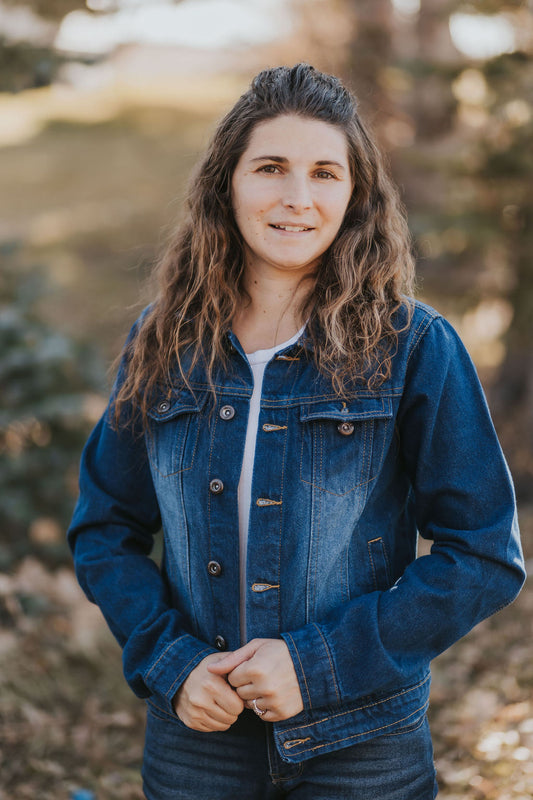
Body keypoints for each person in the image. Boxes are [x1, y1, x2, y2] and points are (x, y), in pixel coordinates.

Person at [68, 64, 525, 799]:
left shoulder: (412, 346)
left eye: (324, 174)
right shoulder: (165, 341)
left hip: (364, 742)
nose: (297, 198)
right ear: (227, 183)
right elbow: (104, 528)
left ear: (355, 195)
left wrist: (317, 666)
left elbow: (483, 554)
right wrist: (170, 662)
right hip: (199, 742)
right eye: (270, 168)